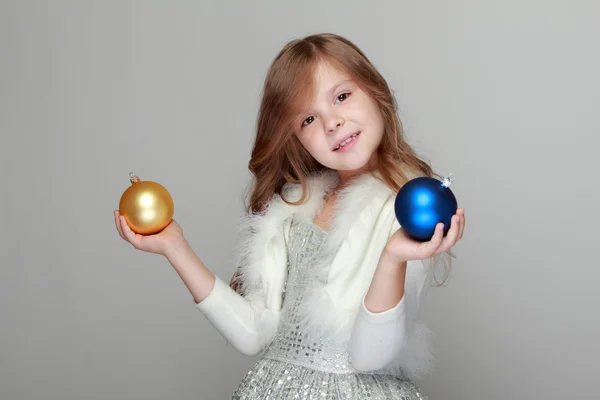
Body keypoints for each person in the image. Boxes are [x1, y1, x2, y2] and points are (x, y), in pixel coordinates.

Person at [114, 33, 466, 399]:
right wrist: (175, 246)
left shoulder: (413, 212)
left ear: (376, 92)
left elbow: (369, 356)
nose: (333, 123)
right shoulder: (292, 209)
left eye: (342, 96)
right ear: (296, 138)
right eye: (309, 119)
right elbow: (253, 334)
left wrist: (393, 257)